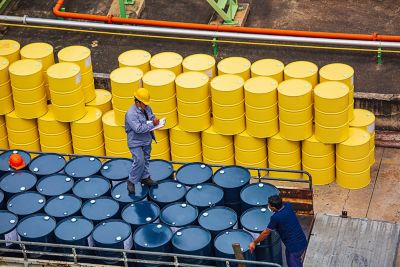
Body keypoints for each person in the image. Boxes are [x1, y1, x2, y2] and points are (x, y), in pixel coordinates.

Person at [249, 195, 307, 267]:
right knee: (297, 261)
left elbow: (266, 232)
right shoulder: (288, 206)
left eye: (269, 205)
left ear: (273, 207)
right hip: (302, 241)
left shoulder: (276, 217)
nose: (268, 206)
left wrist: (254, 242)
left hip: (294, 248)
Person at [125, 87, 160, 194]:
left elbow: (151, 117)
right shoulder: (131, 114)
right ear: (137, 102)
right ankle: (131, 181)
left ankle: (145, 177)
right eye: (144, 103)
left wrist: (156, 121)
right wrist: (152, 125)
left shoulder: (147, 108)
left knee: (146, 159)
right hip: (135, 141)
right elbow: (138, 128)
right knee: (139, 161)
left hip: (146, 139)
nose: (146, 105)